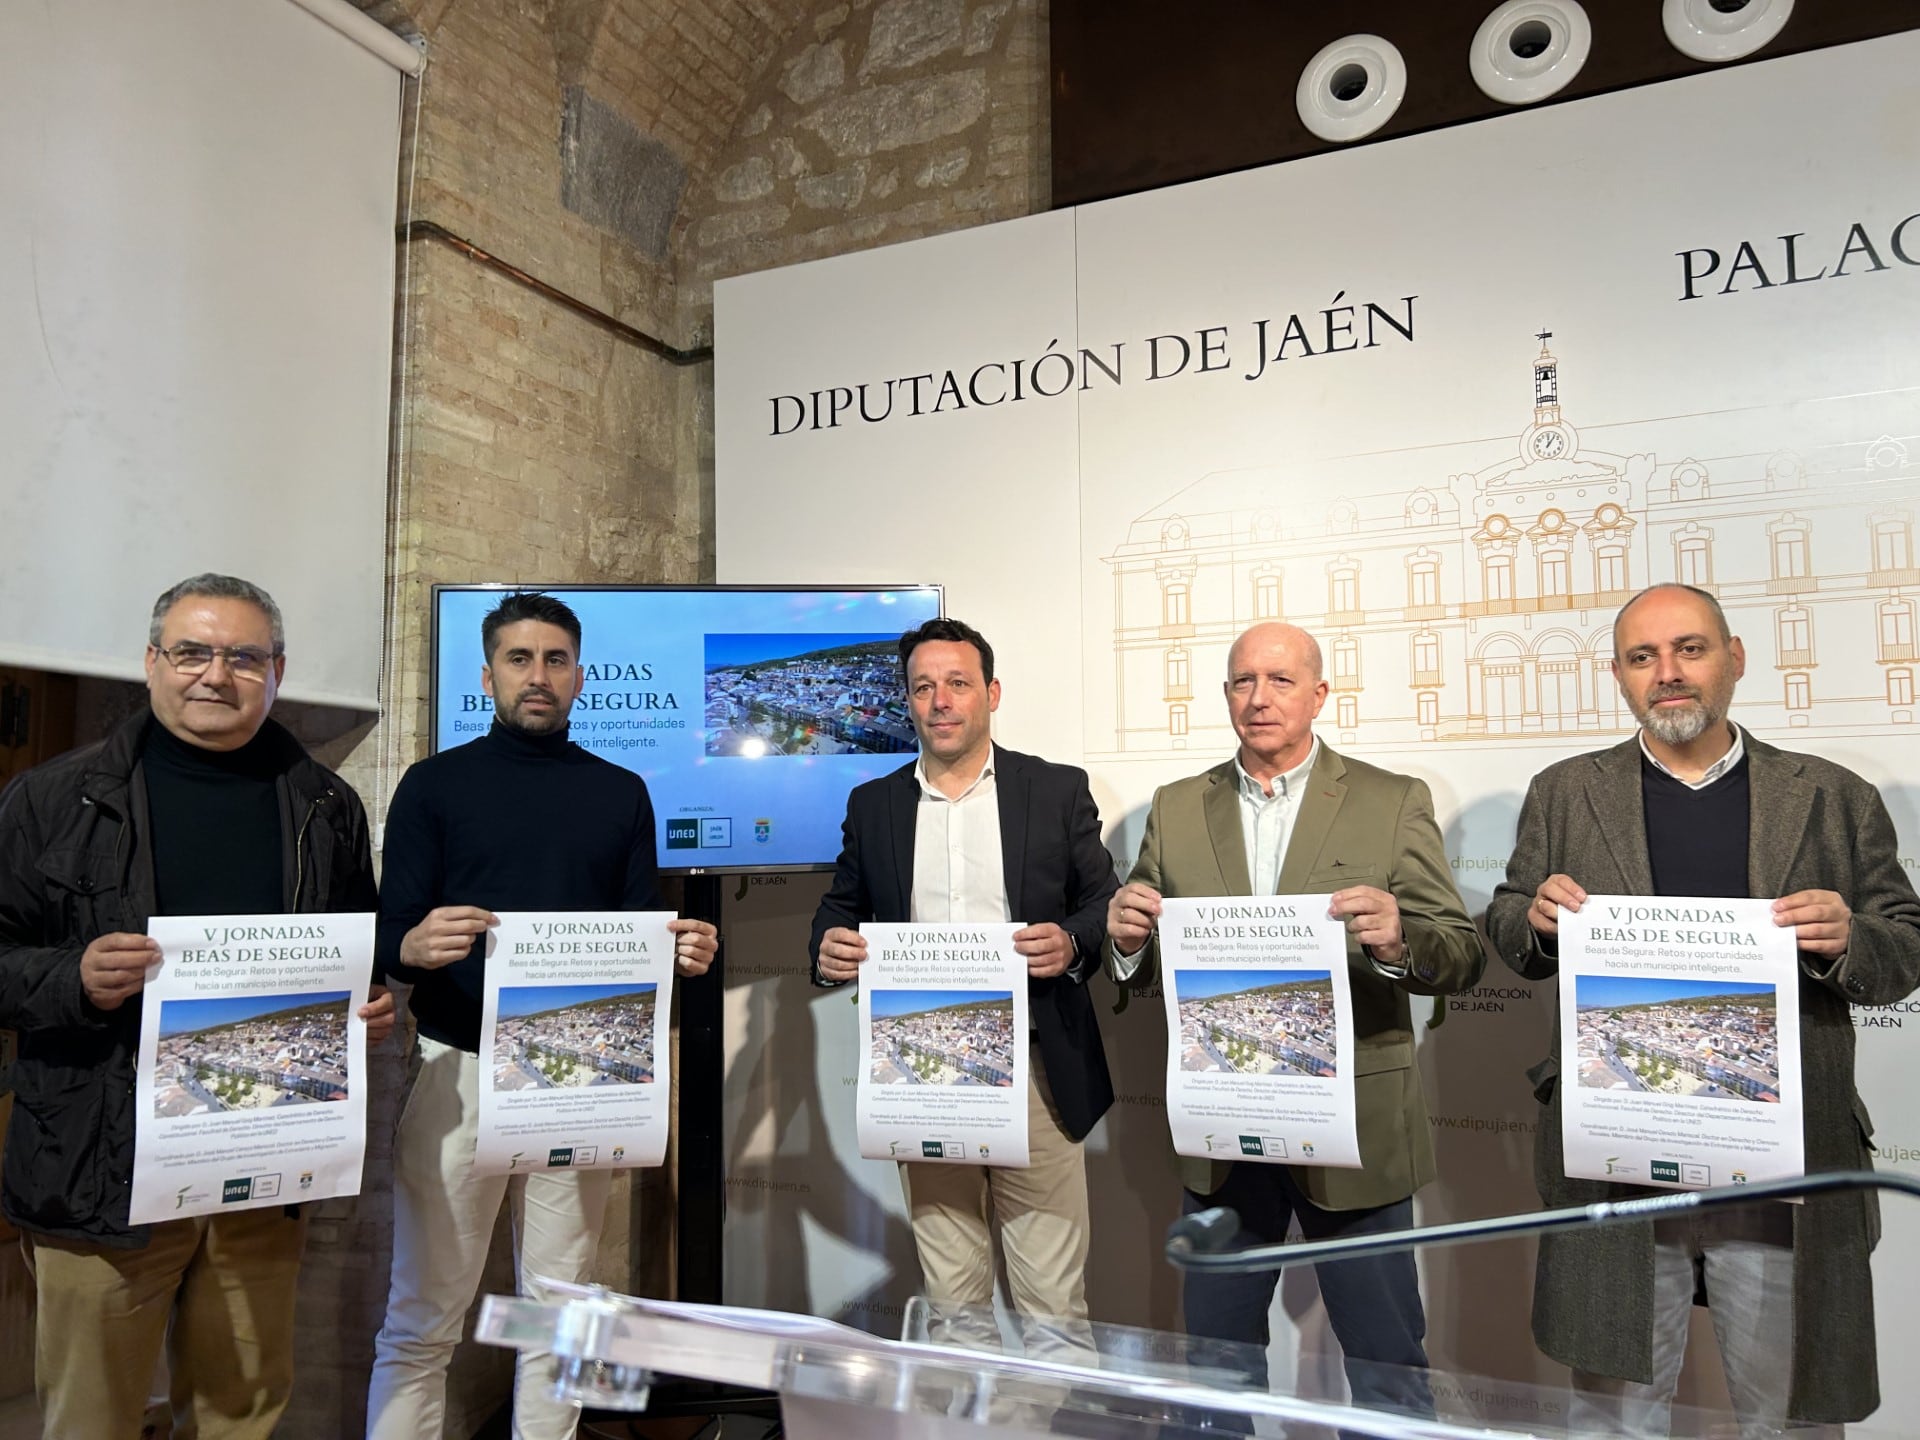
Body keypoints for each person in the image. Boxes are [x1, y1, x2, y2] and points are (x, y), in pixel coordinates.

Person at [1486, 582, 1920, 1435]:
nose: (1668, 674)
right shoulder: (1565, 790)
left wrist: (1849, 935)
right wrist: (1531, 919)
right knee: (1612, 1412)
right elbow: (1507, 918)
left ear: (1734, 660)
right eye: (1643, 657)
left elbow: (1904, 944)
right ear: (1618, 675)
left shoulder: (1831, 794)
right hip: (1615, 1156)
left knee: (1789, 1408)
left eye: (1690, 649)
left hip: (1782, 1158)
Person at [0, 572, 393, 1438]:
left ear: (277, 671)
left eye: (244, 657)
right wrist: (71, 978)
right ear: (152, 662)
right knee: (91, 1417)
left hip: (260, 1166)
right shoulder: (53, 801)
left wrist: (360, 1008)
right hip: (101, 1170)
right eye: (192, 652)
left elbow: (353, 955)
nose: (217, 674)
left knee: (242, 1410)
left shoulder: (326, 807)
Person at [1106, 621, 1482, 1417]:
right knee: (1211, 1368)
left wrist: (1399, 938)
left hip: (1357, 1128)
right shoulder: (1177, 809)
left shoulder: (1390, 800)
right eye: (1243, 681)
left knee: (1385, 1366)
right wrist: (1128, 943)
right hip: (1223, 1131)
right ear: (1225, 697)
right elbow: (1138, 962)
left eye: (1280, 681)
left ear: (1319, 694)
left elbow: (1460, 953)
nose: (1259, 698)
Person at [367, 590, 718, 1440]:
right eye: (520, 659)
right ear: (487, 675)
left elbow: (639, 932)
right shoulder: (433, 786)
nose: (539, 676)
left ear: (580, 677)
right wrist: (413, 945)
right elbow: (388, 938)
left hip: (580, 1075)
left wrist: (678, 953)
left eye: (556, 660)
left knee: (561, 1312)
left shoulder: (621, 792)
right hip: (462, 1068)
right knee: (423, 1312)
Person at [809, 617, 1117, 1332]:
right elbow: (840, 907)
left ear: (991, 693)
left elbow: (1103, 901)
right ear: (908, 702)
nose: (940, 701)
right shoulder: (874, 803)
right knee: (952, 1305)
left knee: (1053, 1309)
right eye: (923, 687)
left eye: (957, 683)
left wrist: (1072, 943)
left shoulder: (1057, 789)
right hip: (922, 1076)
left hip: (1038, 1071)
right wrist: (827, 946)